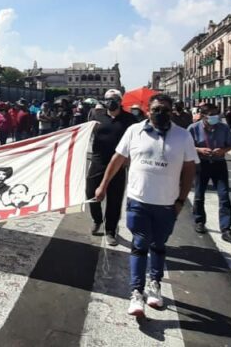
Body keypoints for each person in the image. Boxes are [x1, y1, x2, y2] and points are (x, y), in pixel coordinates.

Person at [94, 93, 198, 318]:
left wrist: (181, 200)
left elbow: (189, 169)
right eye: (156, 109)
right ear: (147, 111)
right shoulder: (134, 131)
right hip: (138, 200)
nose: (160, 114)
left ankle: (155, 285)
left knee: (158, 245)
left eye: (165, 110)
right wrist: (103, 186)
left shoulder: (183, 136)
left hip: (166, 203)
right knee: (139, 244)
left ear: (172, 112)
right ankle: (136, 292)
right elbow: (117, 159)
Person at [85, 89, 137, 246]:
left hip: (119, 164)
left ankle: (110, 230)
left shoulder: (130, 120)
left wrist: (130, 158)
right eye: (107, 99)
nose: (111, 101)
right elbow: (85, 133)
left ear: (120, 101)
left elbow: (137, 140)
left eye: (114, 99)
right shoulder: (97, 117)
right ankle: (97, 219)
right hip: (98, 161)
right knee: (91, 192)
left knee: (114, 198)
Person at [188, 105, 231, 241]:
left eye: (217, 114)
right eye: (212, 114)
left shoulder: (223, 128)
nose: (215, 117)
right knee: (199, 195)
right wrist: (199, 150)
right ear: (203, 115)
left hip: (219, 163)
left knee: (224, 196)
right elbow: (186, 146)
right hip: (201, 163)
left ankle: (226, 228)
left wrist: (223, 150)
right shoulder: (193, 128)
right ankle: (199, 221)